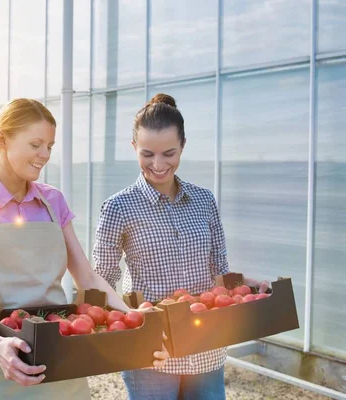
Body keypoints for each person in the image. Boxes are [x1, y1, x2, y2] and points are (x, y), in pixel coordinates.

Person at [0, 98, 168, 400]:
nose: (44, 155)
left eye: (49, 146)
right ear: (2, 139)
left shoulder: (53, 201)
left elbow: (86, 278)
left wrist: (132, 317)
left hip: (61, 356)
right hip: (3, 358)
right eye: (36, 144)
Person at [93, 93, 269, 400]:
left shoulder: (204, 201)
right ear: (134, 147)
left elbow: (219, 273)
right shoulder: (118, 207)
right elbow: (101, 282)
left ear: (183, 146)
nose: (158, 165)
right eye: (147, 154)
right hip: (151, 352)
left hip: (206, 347)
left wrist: (247, 285)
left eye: (169, 153)